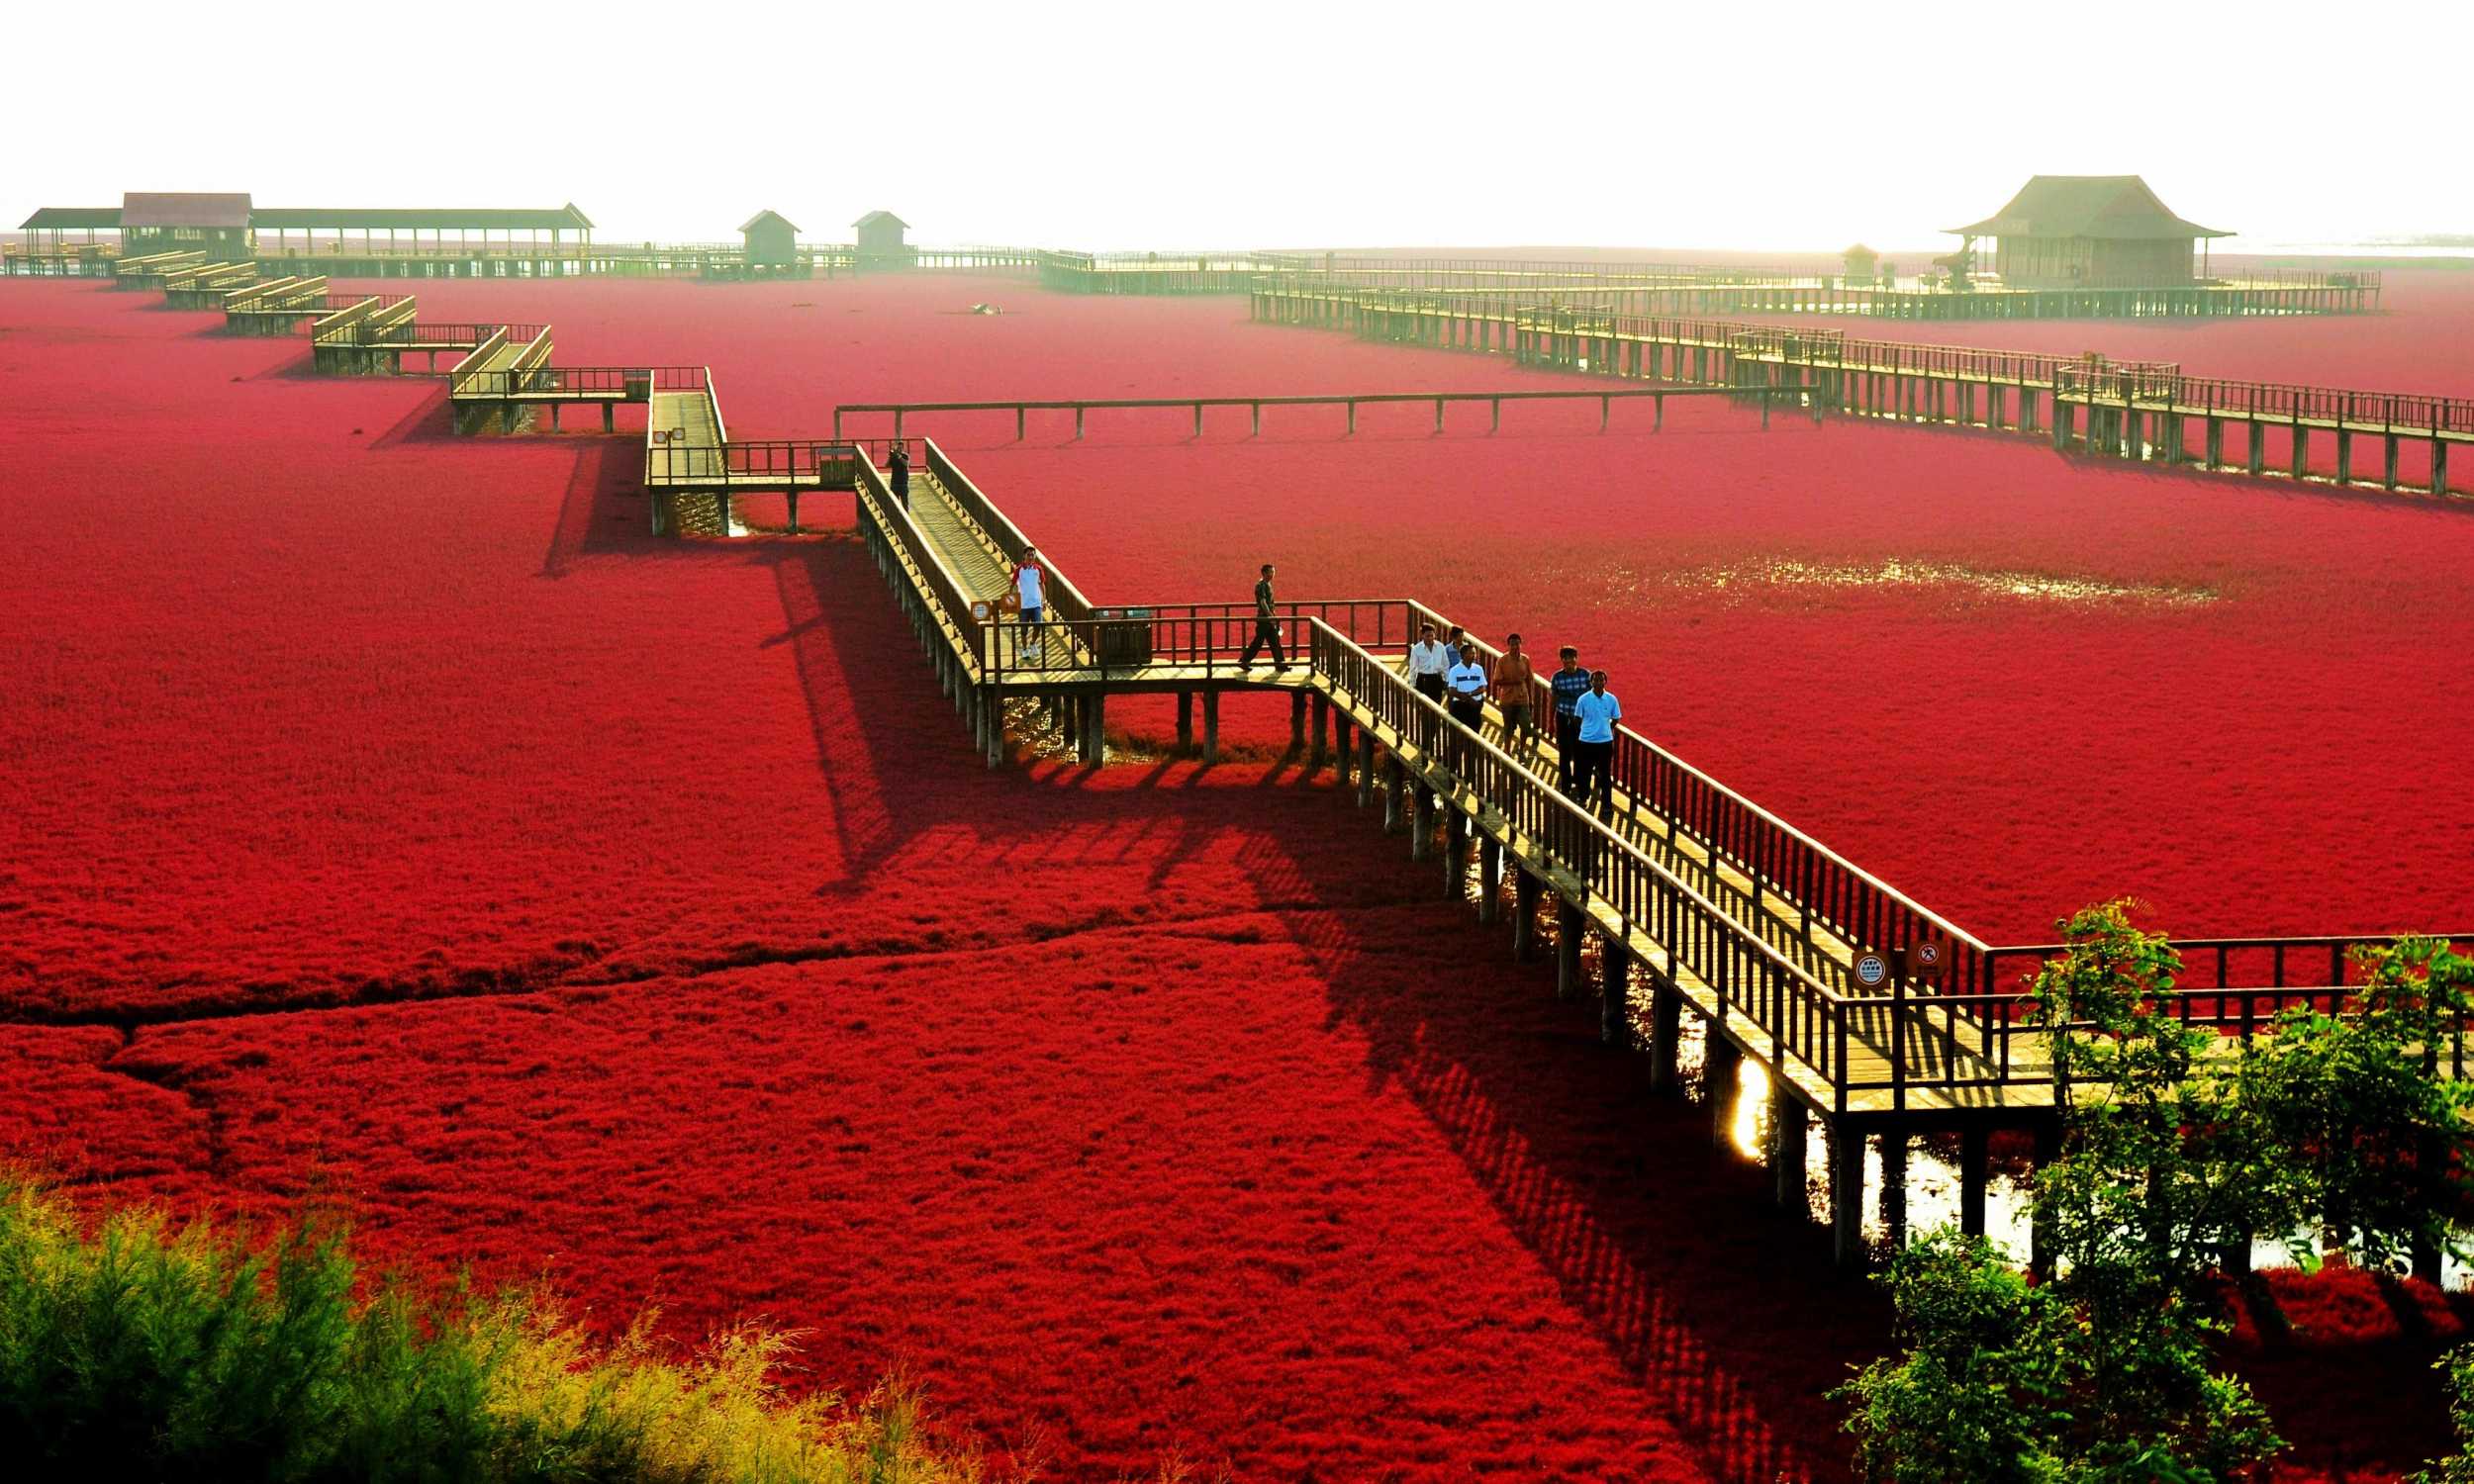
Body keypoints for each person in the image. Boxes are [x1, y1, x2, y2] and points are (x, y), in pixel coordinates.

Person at [1570, 670, 1621, 815]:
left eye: (1601, 680)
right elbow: (1577, 718)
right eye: (1595, 680)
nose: (1598, 683)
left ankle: (1606, 805)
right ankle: (1583, 797)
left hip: (1605, 742)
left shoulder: (1611, 699)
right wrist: (1588, 730)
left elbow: (1616, 718)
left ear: (1605, 682)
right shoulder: (1584, 699)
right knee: (1584, 772)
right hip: (1586, 742)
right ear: (1591, 682)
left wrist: (1605, 729)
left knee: (1605, 775)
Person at [1549, 646, 1590, 792]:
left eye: (1571, 658)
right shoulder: (1557, 677)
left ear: (1576, 658)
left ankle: (1579, 782)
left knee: (1580, 752)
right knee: (1564, 753)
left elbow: (1592, 698)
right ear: (1562, 660)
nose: (1569, 661)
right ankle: (1566, 784)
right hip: (1563, 717)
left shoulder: (1585, 675)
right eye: (1565, 658)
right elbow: (1553, 699)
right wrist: (1550, 722)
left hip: (1580, 720)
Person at [1492, 632, 1537, 753]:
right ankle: (1507, 750)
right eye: (1512, 644)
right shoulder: (1502, 660)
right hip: (1507, 700)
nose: (1515, 647)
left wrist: (1531, 699)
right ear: (1508, 645)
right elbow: (1496, 681)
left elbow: (1529, 679)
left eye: (1517, 644)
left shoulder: (1525, 659)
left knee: (1526, 726)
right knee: (1509, 727)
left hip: (1522, 699)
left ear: (1521, 645)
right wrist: (1513, 681)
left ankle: (1521, 749)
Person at [1238, 562, 1285, 669]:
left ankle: (1280, 664)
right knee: (1259, 642)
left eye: (1273, 572)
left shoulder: (1267, 584)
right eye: (1270, 572)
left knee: (1274, 641)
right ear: (1264, 573)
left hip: (1268, 617)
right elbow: (1263, 602)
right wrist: (1270, 616)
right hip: (1264, 618)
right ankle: (1244, 661)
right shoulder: (1261, 585)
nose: (1272, 574)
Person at [1445, 642, 1488, 734]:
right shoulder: (1454, 670)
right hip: (1460, 706)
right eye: (1471, 653)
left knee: (1475, 732)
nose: (1474, 656)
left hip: (1476, 705)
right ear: (1463, 655)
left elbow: (1483, 687)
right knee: (1458, 733)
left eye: (1474, 653)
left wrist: (1470, 695)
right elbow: (1452, 691)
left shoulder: (1479, 669)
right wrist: (1469, 699)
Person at [889, 441, 910, 508]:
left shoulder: (905, 456)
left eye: (901, 448)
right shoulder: (893, 456)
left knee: (905, 504)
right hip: (894, 483)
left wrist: (899, 457)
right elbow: (886, 465)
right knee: (894, 505)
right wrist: (891, 456)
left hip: (903, 483)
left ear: (903, 448)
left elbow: (906, 464)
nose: (899, 449)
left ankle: (906, 516)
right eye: (898, 448)